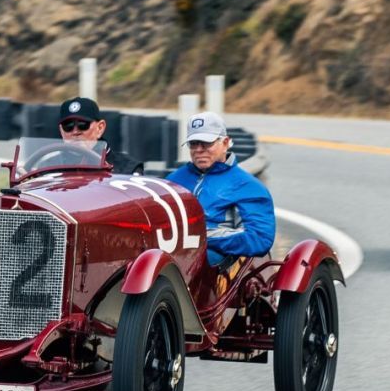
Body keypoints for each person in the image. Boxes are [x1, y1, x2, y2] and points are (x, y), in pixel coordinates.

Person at [166, 111, 274, 267]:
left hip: (211, 261)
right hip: (168, 251)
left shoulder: (249, 186)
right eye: (194, 143)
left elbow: (260, 238)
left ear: (225, 143)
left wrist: (199, 239)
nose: (199, 149)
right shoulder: (172, 180)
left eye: (206, 143)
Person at [58, 96, 143, 174]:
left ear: (100, 128)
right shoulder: (47, 164)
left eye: (83, 125)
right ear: (61, 131)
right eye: (68, 126)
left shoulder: (127, 169)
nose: (75, 132)